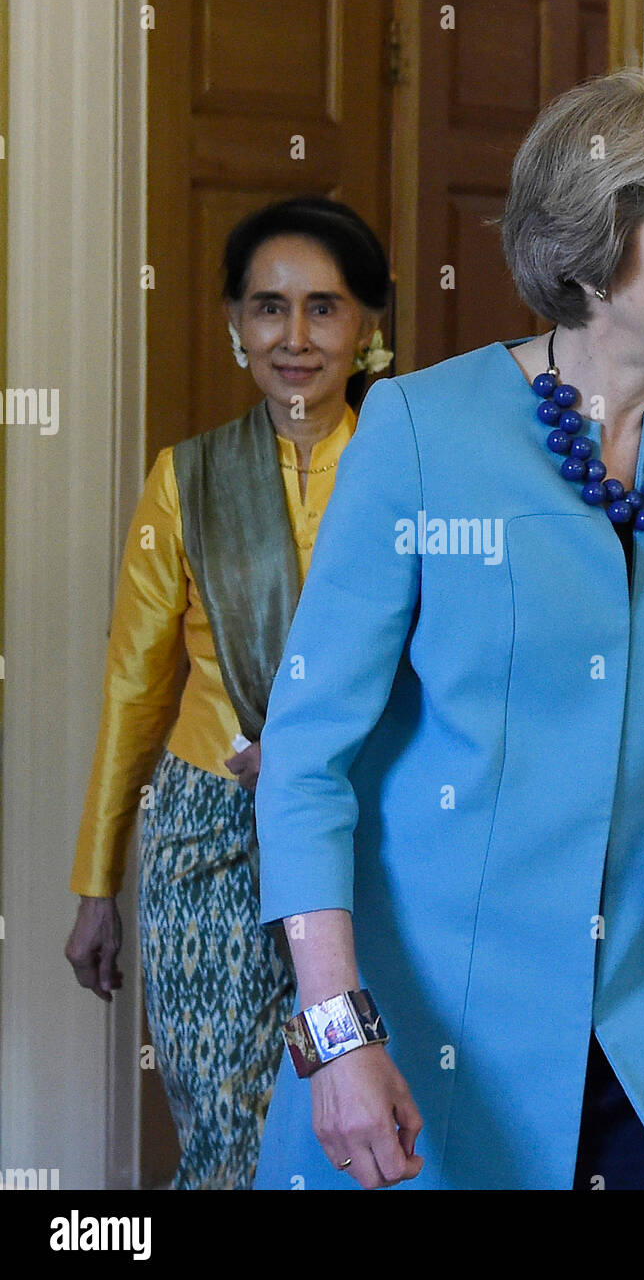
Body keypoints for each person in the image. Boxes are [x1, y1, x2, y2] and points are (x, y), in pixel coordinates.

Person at [252, 71, 644, 1191]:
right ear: (600, 253)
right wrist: (339, 1035)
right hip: (436, 1021)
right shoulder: (419, 428)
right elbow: (305, 762)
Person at [64, 195, 393, 1189]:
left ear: (369, 326)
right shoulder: (187, 480)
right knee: (228, 1138)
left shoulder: (408, 470)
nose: (294, 336)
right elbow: (133, 685)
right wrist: (96, 882)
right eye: (268, 307)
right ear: (233, 323)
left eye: (325, 308)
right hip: (209, 834)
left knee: (363, 1125)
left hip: (369, 828)